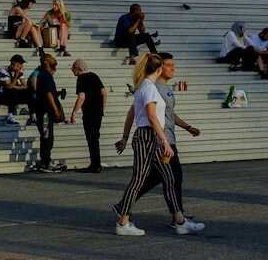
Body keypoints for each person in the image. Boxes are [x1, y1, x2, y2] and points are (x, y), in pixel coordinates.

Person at [112, 52, 206, 238]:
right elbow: (152, 116)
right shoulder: (149, 88)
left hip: (151, 136)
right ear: (159, 68)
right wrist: (165, 141)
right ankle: (123, 221)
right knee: (139, 180)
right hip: (148, 137)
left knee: (169, 178)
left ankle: (180, 222)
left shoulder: (145, 86)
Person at [31, 52, 67, 172]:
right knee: (47, 138)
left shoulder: (44, 75)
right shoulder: (45, 76)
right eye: (51, 58)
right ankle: (46, 163)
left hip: (44, 111)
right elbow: (48, 94)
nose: (54, 59)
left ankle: (45, 161)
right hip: (45, 112)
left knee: (47, 137)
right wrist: (56, 110)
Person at [69, 59, 108, 172]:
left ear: (78, 68)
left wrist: (74, 113)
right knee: (95, 138)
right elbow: (104, 92)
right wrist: (101, 108)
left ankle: (95, 165)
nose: (72, 70)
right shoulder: (94, 76)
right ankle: (96, 164)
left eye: (73, 68)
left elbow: (82, 96)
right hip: (98, 113)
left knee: (91, 139)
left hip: (89, 113)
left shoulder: (81, 78)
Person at [0, 54, 32, 125]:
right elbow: (9, 87)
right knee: (12, 91)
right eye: (20, 63)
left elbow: (25, 86)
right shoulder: (4, 71)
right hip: (0, 96)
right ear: (14, 63)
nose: (21, 66)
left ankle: (32, 115)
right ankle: (10, 117)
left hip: (11, 95)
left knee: (30, 91)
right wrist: (16, 77)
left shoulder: (19, 71)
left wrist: (16, 86)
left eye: (21, 64)